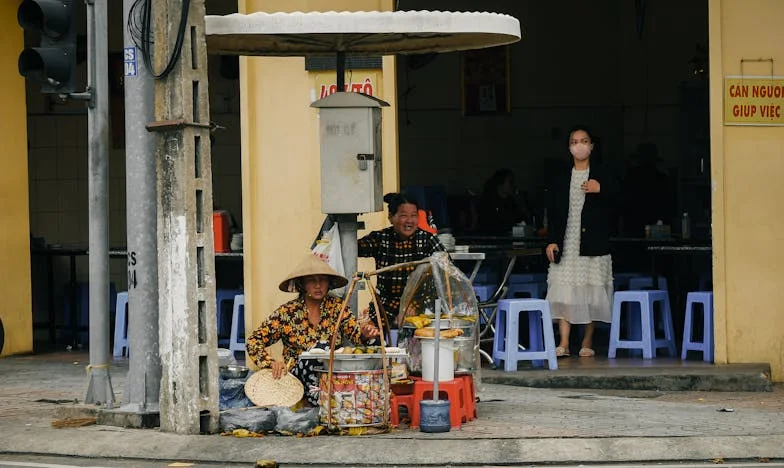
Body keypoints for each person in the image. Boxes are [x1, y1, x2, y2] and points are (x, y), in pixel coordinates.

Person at [245, 253, 379, 406]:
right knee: (318, 350)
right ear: (302, 285)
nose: (318, 285)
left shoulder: (337, 308)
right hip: (298, 375)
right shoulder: (287, 312)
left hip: (332, 373)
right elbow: (254, 341)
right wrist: (270, 363)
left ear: (328, 283)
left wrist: (366, 333)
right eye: (311, 281)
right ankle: (322, 402)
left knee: (373, 343)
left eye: (322, 280)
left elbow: (355, 334)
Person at [544, 126, 617, 358]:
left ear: (592, 146)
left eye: (584, 141)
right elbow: (553, 212)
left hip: (593, 243)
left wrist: (601, 189)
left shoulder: (603, 173)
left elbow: (623, 200)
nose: (579, 145)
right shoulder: (560, 177)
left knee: (590, 290)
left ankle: (587, 339)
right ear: (569, 147)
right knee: (565, 290)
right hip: (567, 242)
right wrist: (551, 241)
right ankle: (564, 342)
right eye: (574, 141)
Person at [358, 192, 447, 329]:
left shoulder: (426, 239)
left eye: (414, 216)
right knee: (370, 336)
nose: (409, 221)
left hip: (421, 306)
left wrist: (416, 305)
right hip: (385, 308)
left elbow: (446, 270)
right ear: (391, 217)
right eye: (404, 215)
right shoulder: (381, 238)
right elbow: (351, 248)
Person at [477, 168, 527, 235]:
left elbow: (521, 220)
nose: (513, 185)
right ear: (500, 183)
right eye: (510, 182)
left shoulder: (511, 201)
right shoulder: (488, 202)